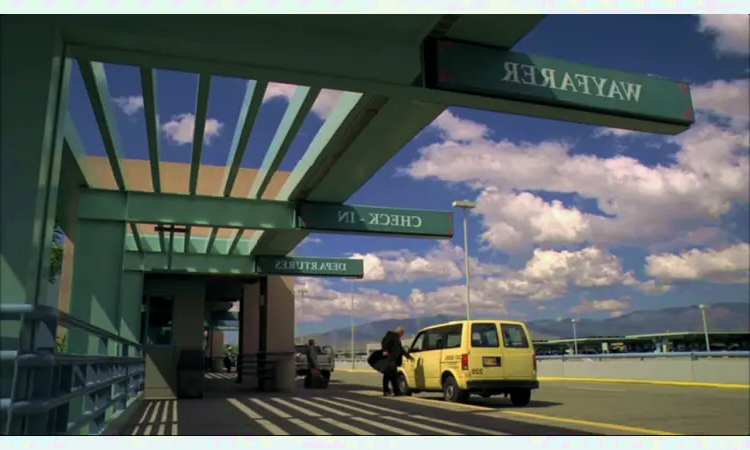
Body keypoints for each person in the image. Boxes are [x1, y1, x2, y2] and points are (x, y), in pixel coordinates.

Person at [380, 326, 412, 396]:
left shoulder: (396, 338)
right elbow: (384, 342)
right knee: (388, 375)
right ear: (400, 332)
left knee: (393, 375)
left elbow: (400, 349)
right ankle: (387, 391)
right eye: (402, 333)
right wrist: (385, 350)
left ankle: (396, 391)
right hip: (389, 358)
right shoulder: (391, 335)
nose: (402, 335)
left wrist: (408, 356)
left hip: (393, 359)